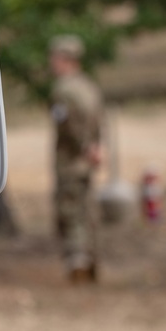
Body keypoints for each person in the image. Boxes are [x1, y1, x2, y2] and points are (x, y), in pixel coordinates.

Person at [48, 34, 104, 283]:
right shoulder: (88, 86)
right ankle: (90, 258)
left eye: (55, 58)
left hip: (70, 161)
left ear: (64, 59)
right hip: (87, 160)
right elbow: (99, 122)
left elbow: (68, 125)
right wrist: (95, 148)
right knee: (86, 208)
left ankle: (78, 263)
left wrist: (84, 147)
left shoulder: (63, 90)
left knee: (70, 210)